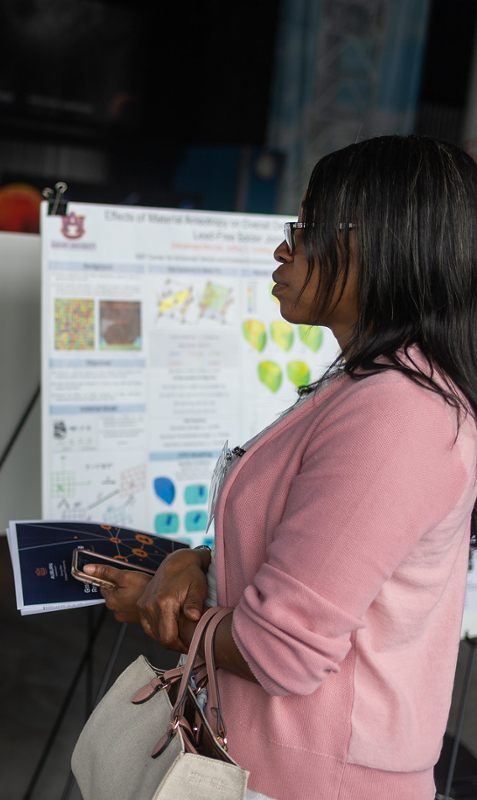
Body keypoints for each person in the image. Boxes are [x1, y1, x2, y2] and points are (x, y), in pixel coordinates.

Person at [84, 135, 477, 800]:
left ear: (382, 244)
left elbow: (282, 651)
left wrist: (158, 608)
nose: (284, 247)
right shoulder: (365, 387)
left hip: (315, 782)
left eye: (307, 226)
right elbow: (317, 558)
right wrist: (201, 562)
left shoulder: (397, 414)